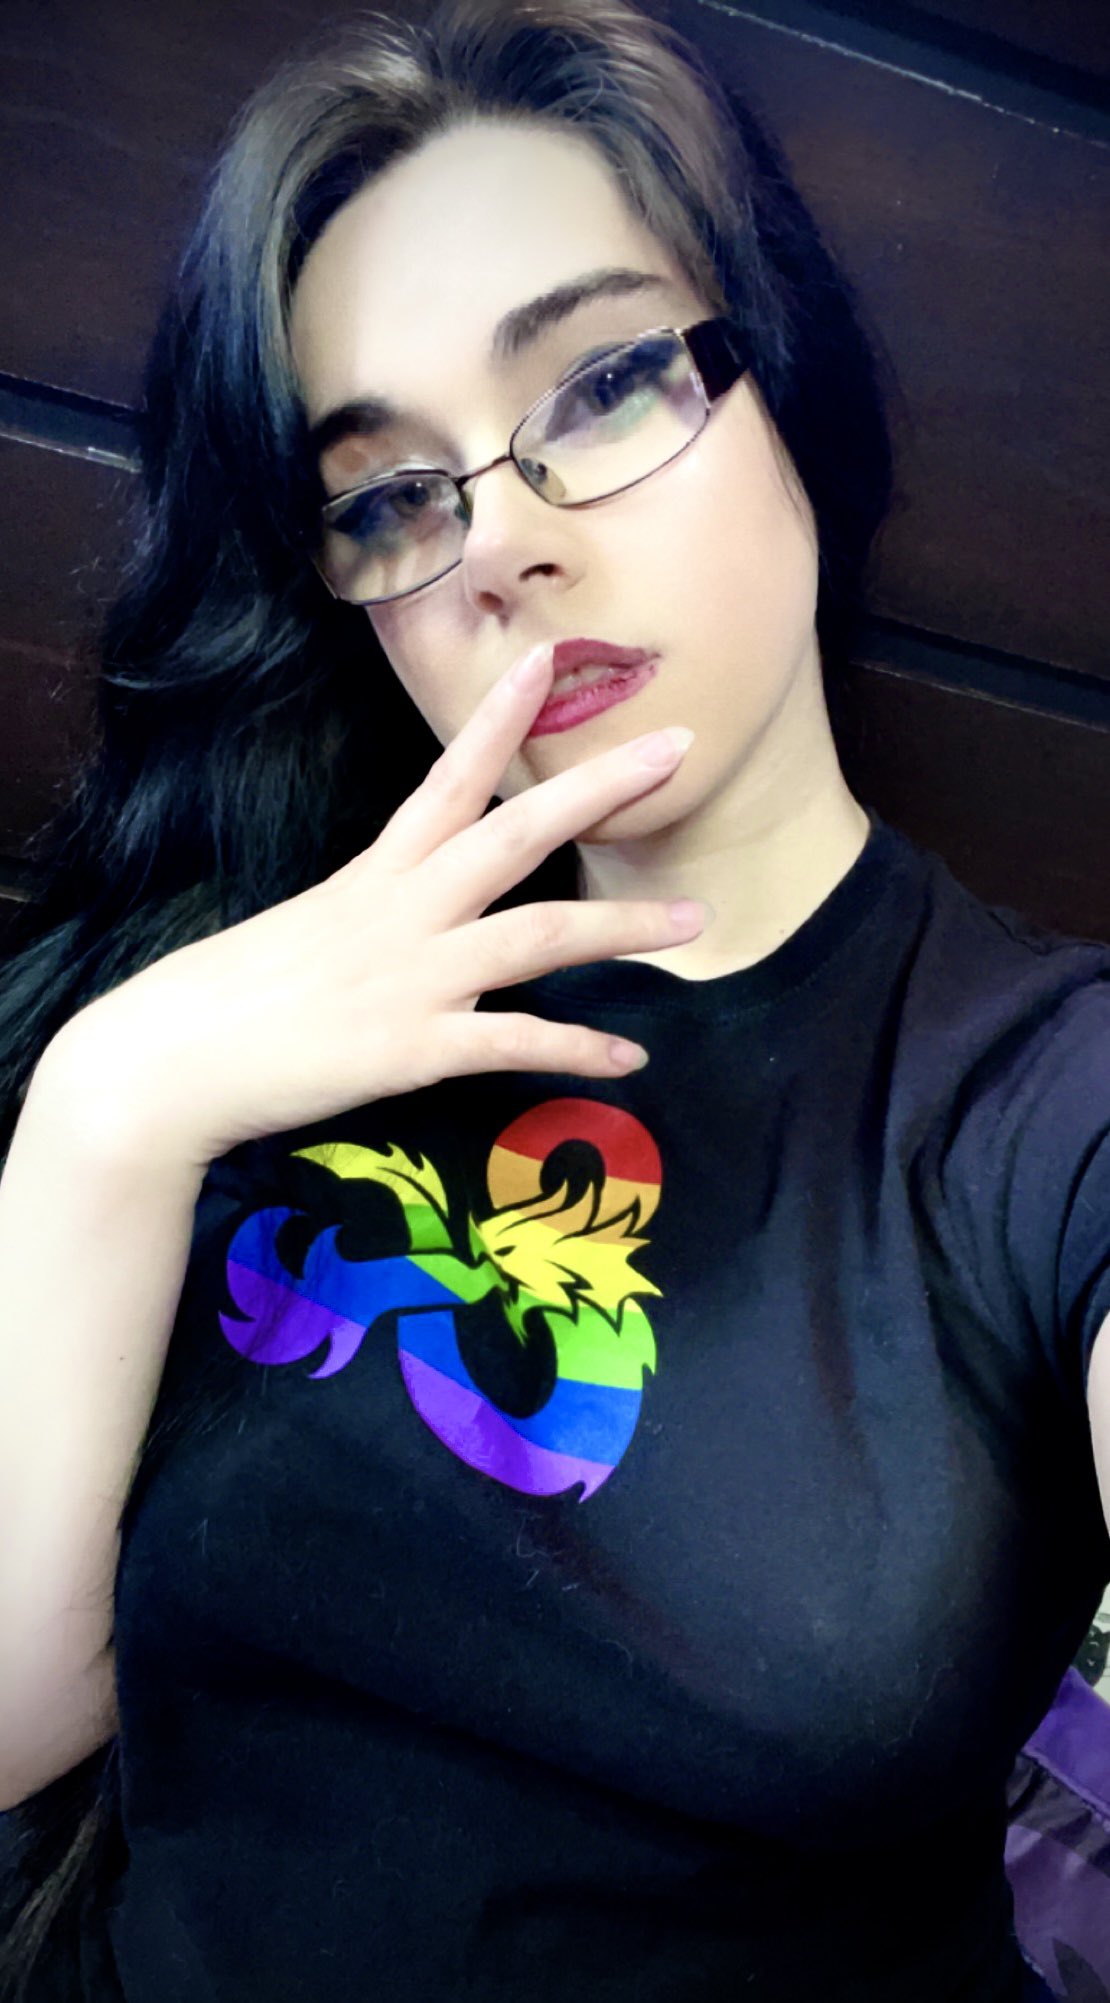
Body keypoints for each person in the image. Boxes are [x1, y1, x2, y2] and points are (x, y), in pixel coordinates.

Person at [0, 0, 1106, 1997]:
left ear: (790, 396)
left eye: (599, 385)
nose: (494, 543)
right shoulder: (245, 1013)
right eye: (387, 495)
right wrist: (105, 1114)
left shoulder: (1038, 1099)